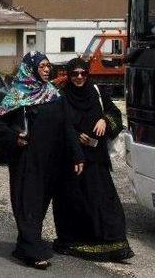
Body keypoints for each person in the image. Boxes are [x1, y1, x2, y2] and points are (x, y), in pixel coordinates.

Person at [0, 51, 85, 270]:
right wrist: (15, 138)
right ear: (30, 68)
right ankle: (33, 252)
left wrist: (77, 154)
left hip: (51, 161)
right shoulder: (16, 96)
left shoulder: (53, 94)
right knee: (28, 203)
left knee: (40, 205)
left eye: (47, 66)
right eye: (42, 66)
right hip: (26, 161)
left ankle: (23, 246)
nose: (46, 69)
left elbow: (67, 127)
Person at [52, 58, 133, 262]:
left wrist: (104, 120)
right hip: (72, 159)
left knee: (103, 199)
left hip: (96, 158)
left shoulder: (97, 93)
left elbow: (115, 113)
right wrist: (75, 136)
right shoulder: (61, 97)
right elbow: (56, 125)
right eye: (74, 74)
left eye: (83, 73)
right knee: (74, 200)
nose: (79, 77)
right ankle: (74, 242)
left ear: (88, 74)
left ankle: (112, 243)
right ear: (69, 76)